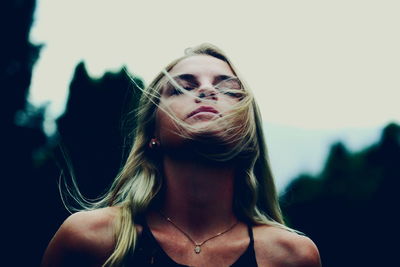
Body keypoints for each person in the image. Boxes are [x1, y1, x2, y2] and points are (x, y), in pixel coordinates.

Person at [41, 43, 321, 267]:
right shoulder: (89, 241)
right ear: (153, 132)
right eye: (182, 87)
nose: (207, 90)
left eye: (228, 89)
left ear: (247, 133)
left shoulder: (290, 257)